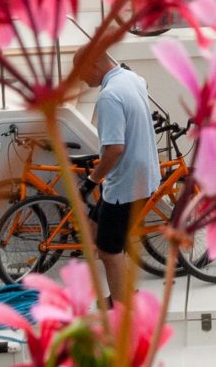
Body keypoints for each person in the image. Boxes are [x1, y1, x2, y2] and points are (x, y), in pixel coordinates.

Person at [71, 50, 158, 308]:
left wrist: (90, 182)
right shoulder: (131, 79)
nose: (81, 80)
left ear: (96, 64)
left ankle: (120, 304)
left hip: (126, 186)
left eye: (82, 72)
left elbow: (114, 149)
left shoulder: (108, 97)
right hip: (144, 176)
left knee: (109, 250)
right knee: (97, 225)